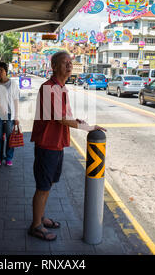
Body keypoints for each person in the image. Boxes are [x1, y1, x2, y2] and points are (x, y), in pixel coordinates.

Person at [28, 51, 106, 241]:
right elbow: (61, 119)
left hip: (56, 144)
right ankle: (36, 225)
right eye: (65, 63)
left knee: (48, 184)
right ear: (54, 66)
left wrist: (76, 120)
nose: (69, 66)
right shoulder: (49, 88)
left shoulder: (61, 88)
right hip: (47, 144)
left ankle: (41, 217)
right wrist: (88, 127)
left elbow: (64, 116)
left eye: (71, 62)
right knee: (43, 186)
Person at [0, 62, 20, 167]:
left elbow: (16, 100)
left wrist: (16, 117)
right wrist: (0, 106)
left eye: (2, 70)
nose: (0, 72)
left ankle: (8, 158)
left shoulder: (13, 84)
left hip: (9, 115)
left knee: (9, 136)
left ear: (6, 71)